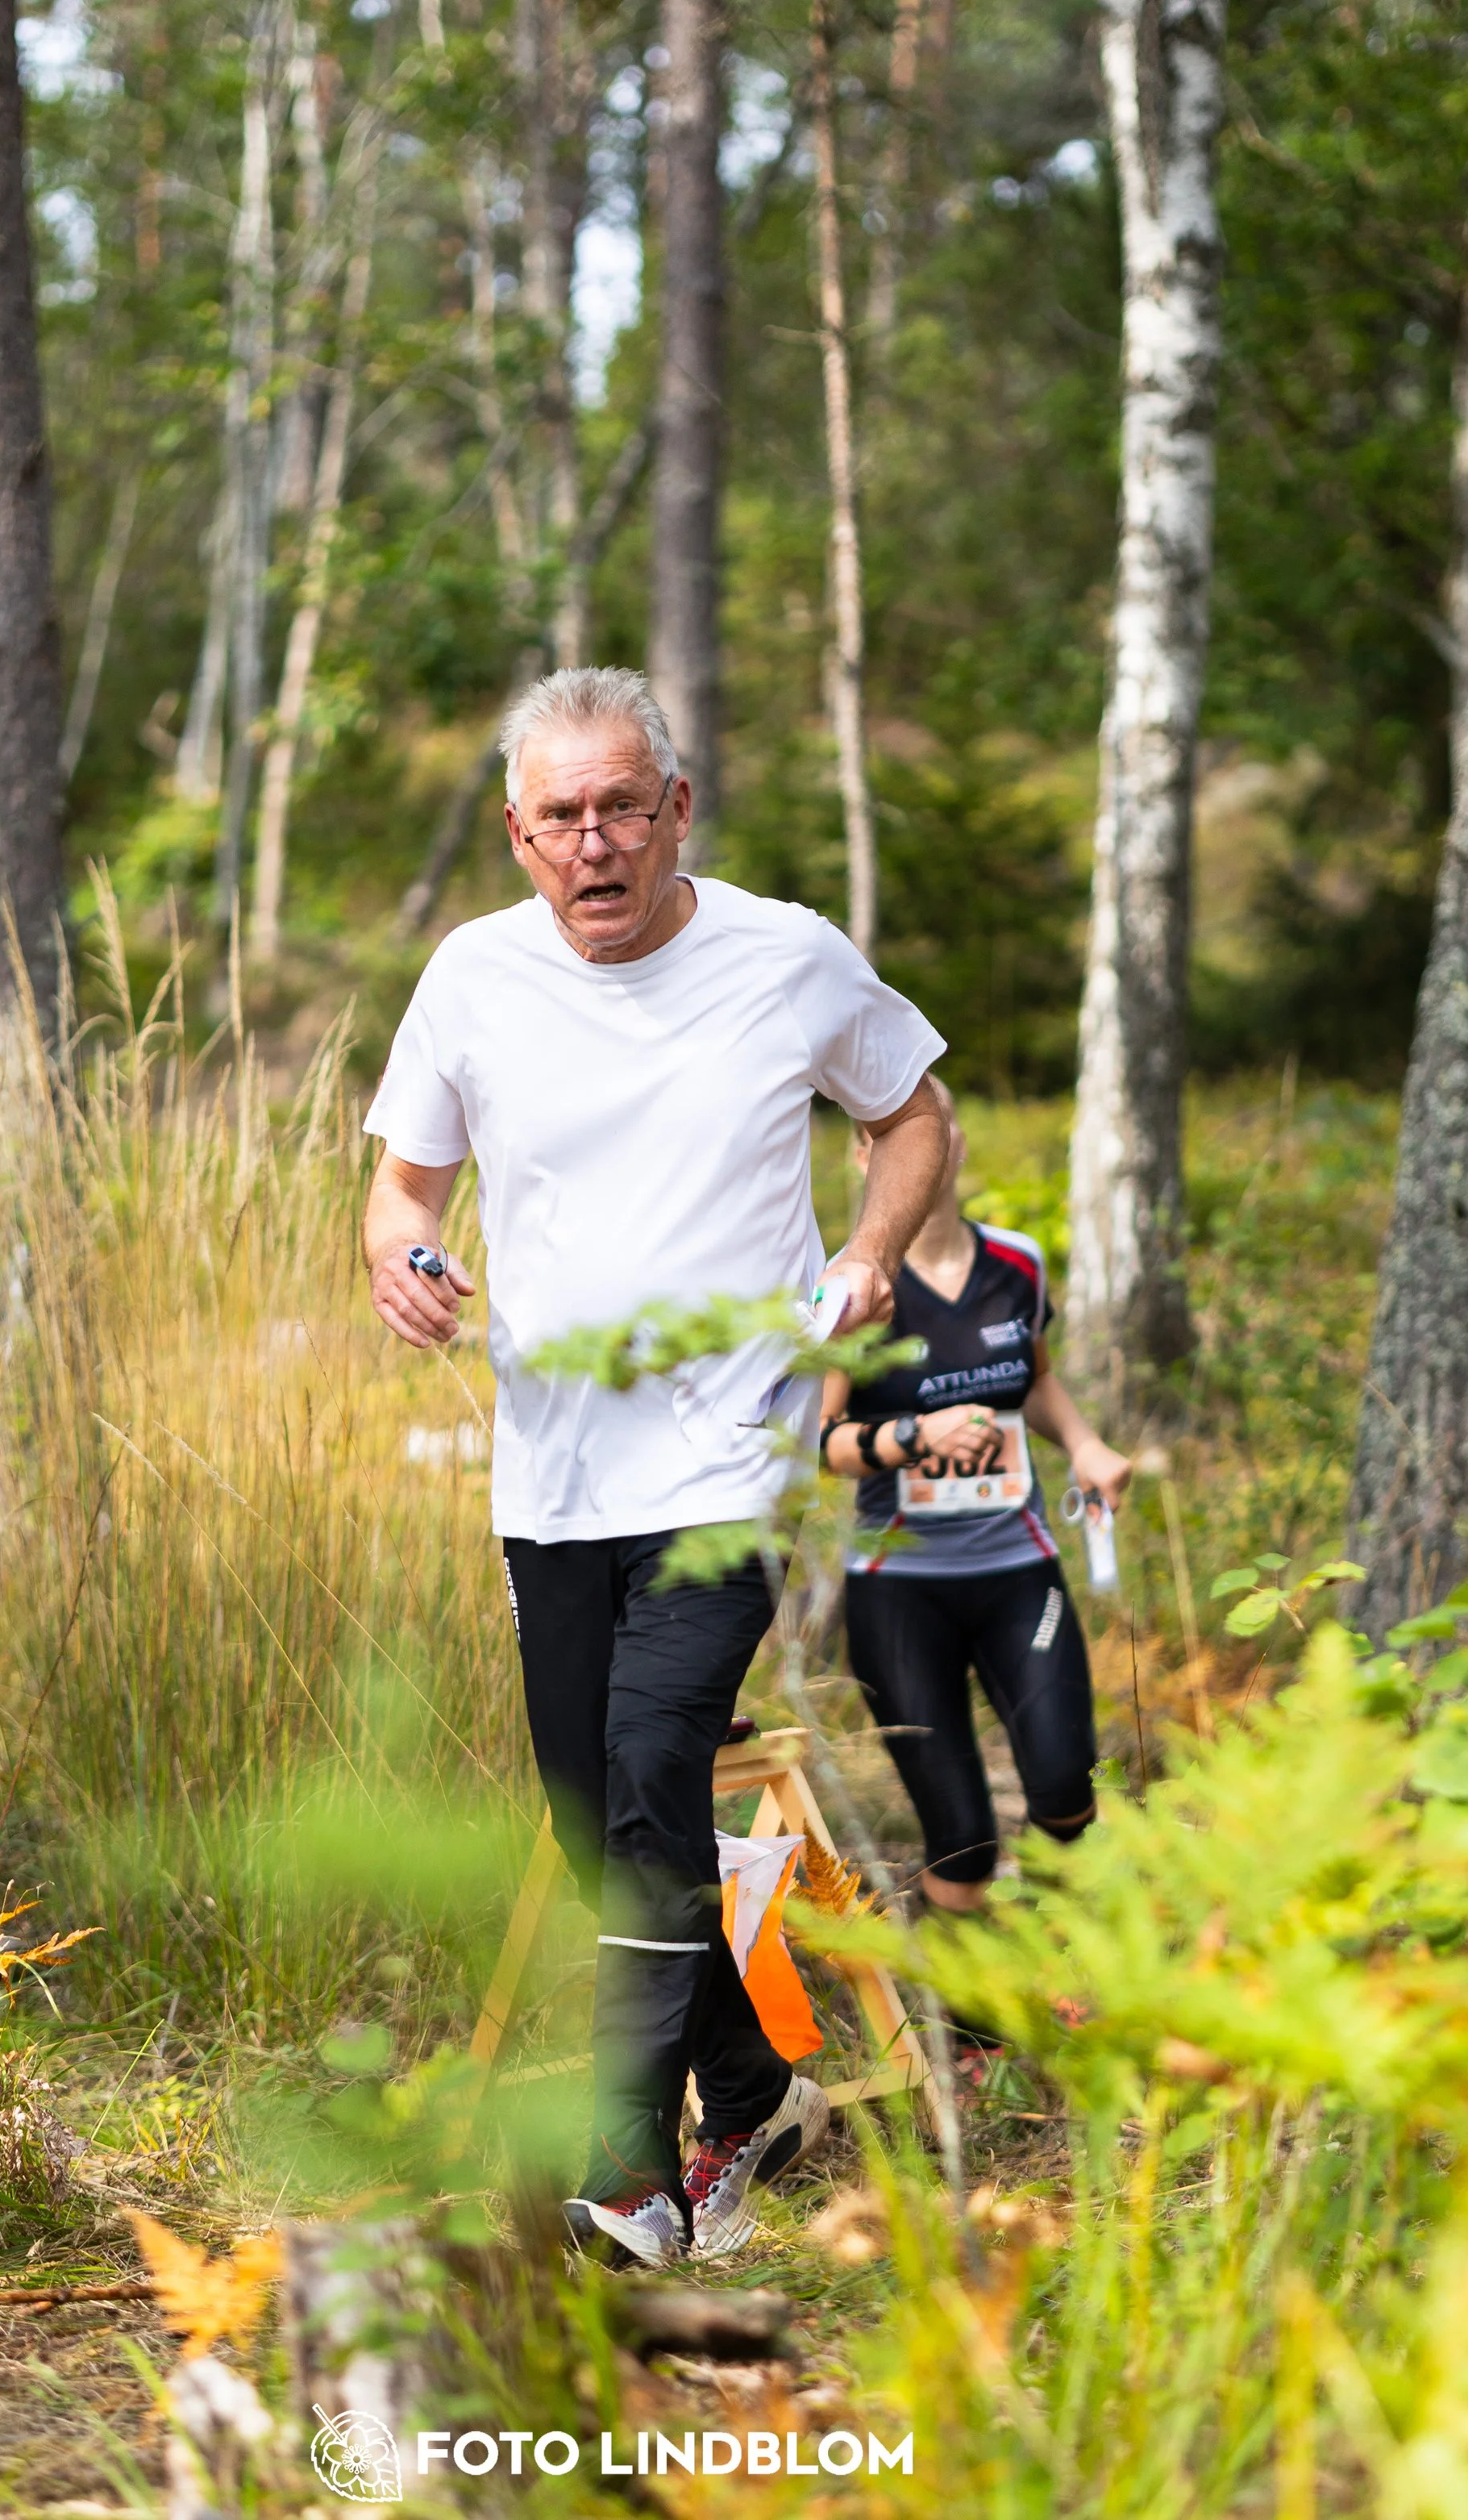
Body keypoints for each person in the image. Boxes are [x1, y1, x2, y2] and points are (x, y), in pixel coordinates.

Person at [361, 666, 947, 2268]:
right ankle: (752, 2083)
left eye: (625, 804)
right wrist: (403, 1254)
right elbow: (403, 1180)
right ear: (516, 834)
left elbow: (912, 1118)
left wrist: (871, 1245)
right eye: (561, 814)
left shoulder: (786, 956)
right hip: (549, 1469)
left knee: (646, 1757)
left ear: (676, 808)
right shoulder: (472, 977)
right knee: (588, 1806)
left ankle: (632, 2171)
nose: (595, 839)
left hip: (726, 1453)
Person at [821, 1084, 1131, 1923]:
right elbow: (823, 1443)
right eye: (889, 1130)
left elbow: (1034, 1382)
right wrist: (914, 1437)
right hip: (899, 1588)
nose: (932, 1137)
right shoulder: (851, 1292)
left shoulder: (1017, 1262)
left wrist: (1086, 1443)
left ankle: (1059, 1966)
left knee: (1067, 1787)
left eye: (942, 1121)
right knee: (961, 1833)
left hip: (1017, 1568)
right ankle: (974, 2037)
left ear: (953, 1141)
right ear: (866, 1156)